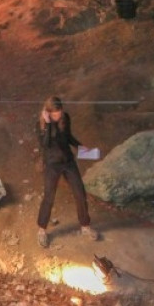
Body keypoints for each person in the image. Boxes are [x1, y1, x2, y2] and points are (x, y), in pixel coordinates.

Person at [36, 96, 99, 248]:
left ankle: (85, 226)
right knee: (49, 197)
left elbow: (68, 137)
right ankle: (42, 230)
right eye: (56, 113)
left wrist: (82, 148)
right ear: (48, 113)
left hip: (68, 161)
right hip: (52, 164)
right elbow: (46, 144)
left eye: (60, 112)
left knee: (80, 193)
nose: (59, 115)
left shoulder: (65, 118)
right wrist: (49, 124)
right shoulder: (41, 125)